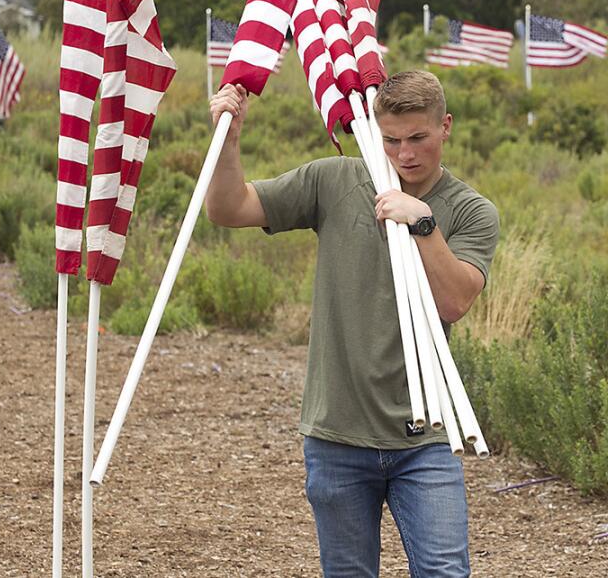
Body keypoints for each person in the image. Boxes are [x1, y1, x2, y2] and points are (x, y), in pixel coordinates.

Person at [205, 70, 499, 578]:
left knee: (446, 571)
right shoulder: (334, 179)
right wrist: (228, 143)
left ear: (445, 127)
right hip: (337, 434)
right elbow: (229, 208)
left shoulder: (472, 211)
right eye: (390, 140)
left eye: (418, 138)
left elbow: (454, 302)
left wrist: (422, 222)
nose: (404, 153)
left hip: (426, 438)